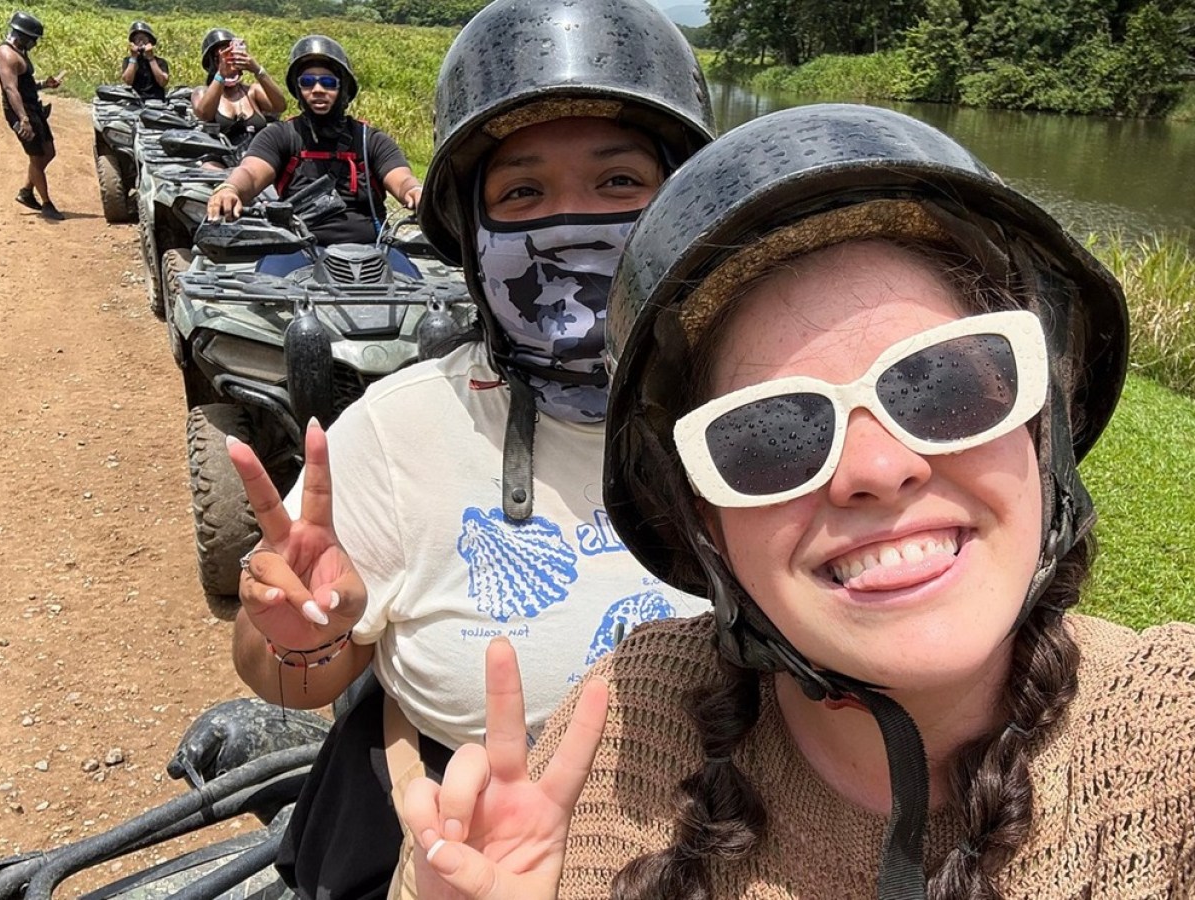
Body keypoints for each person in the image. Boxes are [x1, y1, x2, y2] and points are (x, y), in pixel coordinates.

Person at [402, 104, 1195, 900]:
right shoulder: (631, 724)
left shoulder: (1166, 744)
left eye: (944, 385)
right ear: (703, 520)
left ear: (1042, 420)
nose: (879, 469)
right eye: (769, 435)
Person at [224, 2, 715, 898]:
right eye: (522, 193)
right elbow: (281, 676)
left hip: (719, 831)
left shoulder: (756, 407)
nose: (572, 223)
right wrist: (303, 636)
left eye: (617, 184)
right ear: (476, 233)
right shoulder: (399, 427)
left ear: (681, 200)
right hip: (455, 837)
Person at [205, 35, 421, 278]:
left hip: (372, 249)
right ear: (298, 89)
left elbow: (401, 178)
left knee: (424, 301)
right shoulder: (281, 135)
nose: (318, 90)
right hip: (297, 247)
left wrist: (415, 192)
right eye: (308, 82)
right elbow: (251, 172)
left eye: (328, 82)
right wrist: (231, 188)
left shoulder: (369, 139)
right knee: (265, 305)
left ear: (344, 89)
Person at [0, 11, 63, 220]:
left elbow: (24, 85)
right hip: (20, 111)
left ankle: (26, 191)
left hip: (32, 108)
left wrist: (45, 84)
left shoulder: (19, 51)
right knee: (36, 156)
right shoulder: (6, 55)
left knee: (48, 152)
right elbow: (11, 89)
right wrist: (23, 119)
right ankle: (46, 203)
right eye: (33, 39)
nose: (34, 43)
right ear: (22, 35)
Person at [191, 28, 285, 147]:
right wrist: (221, 75)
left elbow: (280, 106)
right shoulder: (202, 92)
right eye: (222, 58)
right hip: (220, 158)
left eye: (232, 56)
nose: (228, 62)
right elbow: (205, 114)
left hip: (256, 155)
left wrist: (257, 70)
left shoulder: (252, 91)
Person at [120, 21, 168, 101]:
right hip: (134, 100)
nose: (140, 42)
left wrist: (151, 58)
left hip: (156, 101)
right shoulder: (128, 61)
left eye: (143, 39)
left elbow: (162, 82)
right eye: (137, 39)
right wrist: (134, 57)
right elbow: (128, 81)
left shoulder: (160, 62)